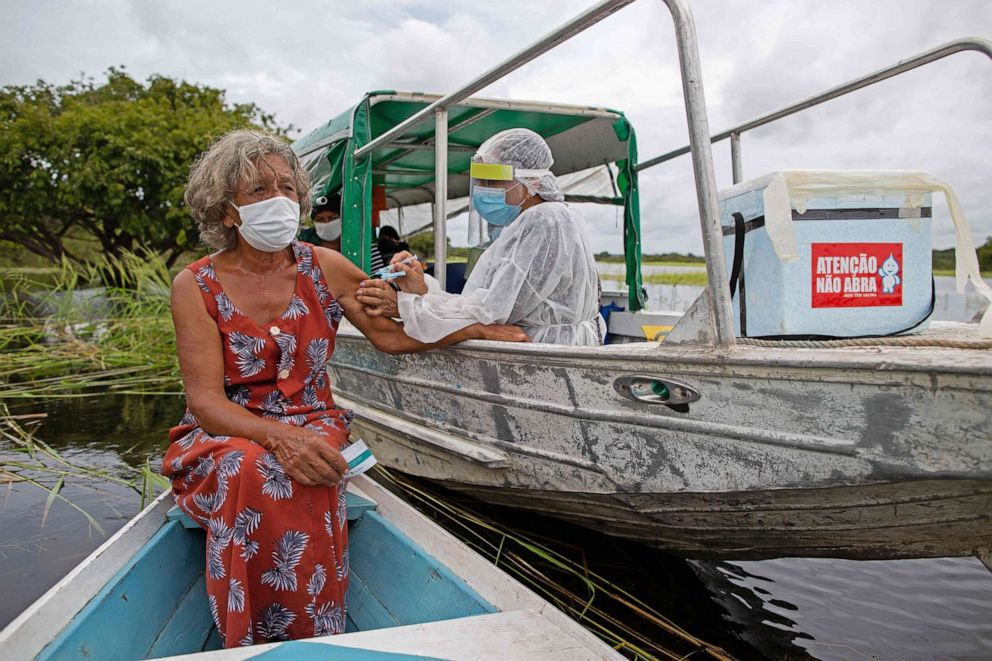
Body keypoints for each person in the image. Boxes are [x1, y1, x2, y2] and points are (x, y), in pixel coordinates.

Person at [163, 129, 526, 648]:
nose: (280, 201)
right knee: (250, 467)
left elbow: (390, 332)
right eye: (259, 191)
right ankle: (250, 638)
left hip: (315, 420)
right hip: (227, 429)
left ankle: (310, 633)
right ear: (226, 212)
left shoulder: (324, 266)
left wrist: (471, 328)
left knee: (305, 467)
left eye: (288, 189)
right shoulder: (194, 285)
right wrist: (276, 437)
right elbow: (206, 402)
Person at [356, 128, 604, 346]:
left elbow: (492, 312)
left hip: (544, 351)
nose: (484, 189)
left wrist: (405, 305)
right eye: (481, 181)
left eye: (494, 181)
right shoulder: (527, 223)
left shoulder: (543, 219)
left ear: (531, 181)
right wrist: (421, 289)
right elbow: (479, 303)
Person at [298, 195, 386, 274]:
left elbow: (379, 277)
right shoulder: (304, 246)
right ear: (314, 222)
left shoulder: (364, 247)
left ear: (343, 219)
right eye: (320, 219)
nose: (326, 223)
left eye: (332, 218)